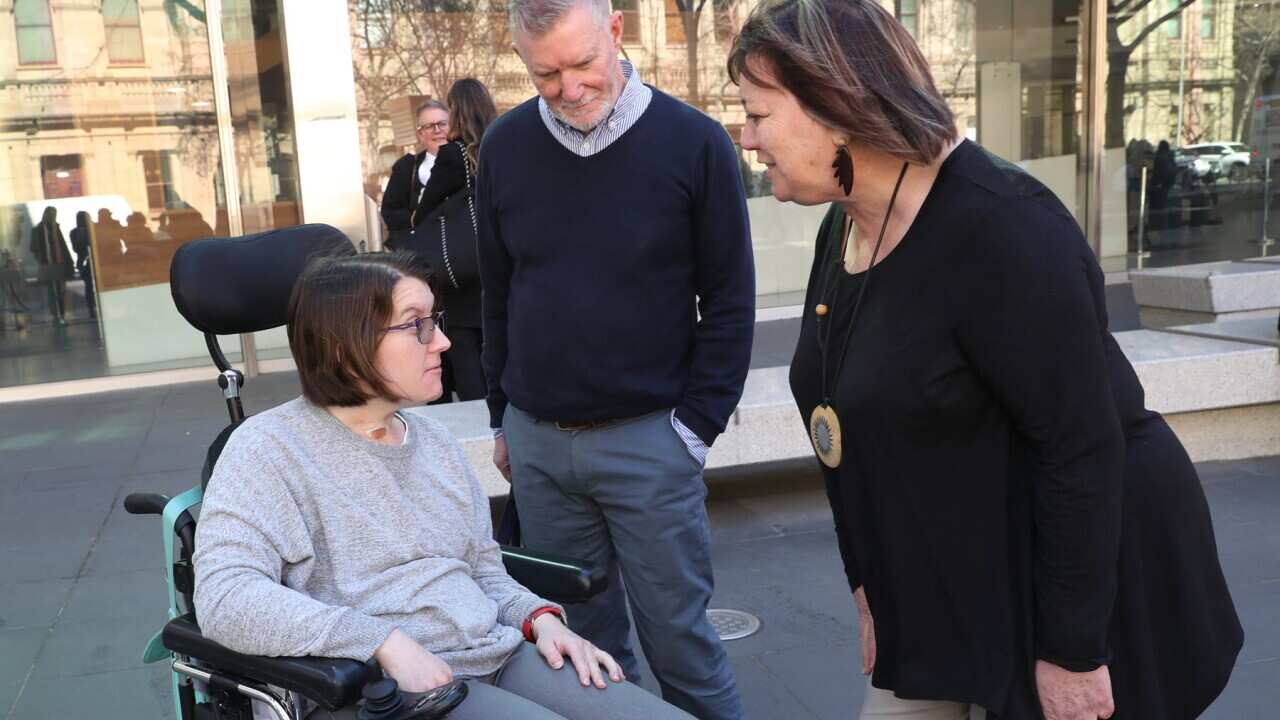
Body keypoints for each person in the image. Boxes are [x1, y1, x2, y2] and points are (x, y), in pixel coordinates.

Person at [729, 2, 1242, 719]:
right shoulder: (847, 226)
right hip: (942, 574)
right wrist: (868, 586)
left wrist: (1071, 654)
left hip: (1069, 583)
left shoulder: (1007, 230)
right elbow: (838, 425)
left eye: (757, 115)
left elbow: (1080, 450)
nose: (746, 138)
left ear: (834, 105)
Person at [192, 252, 695, 720]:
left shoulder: (433, 439)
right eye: (417, 326)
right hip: (373, 685)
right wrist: (381, 642)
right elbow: (225, 599)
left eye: (435, 322)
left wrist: (539, 620)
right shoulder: (268, 450)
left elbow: (480, 567)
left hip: (492, 649)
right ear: (346, 347)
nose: (443, 342)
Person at [476, 0, 755, 717]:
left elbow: (729, 299)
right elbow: (498, 295)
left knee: (683, 649)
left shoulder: (693, 143)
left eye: (582, 63)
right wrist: (503, 420)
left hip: (651, 442)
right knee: (582, 657)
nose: (568, 87)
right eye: (545, 74)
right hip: (538, 448)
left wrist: (695, 428)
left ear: (617, 34)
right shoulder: (504, 147)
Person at [414, 78, 498, 402]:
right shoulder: (503, 143)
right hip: (497, 264)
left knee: (466, 355)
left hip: (461, 270)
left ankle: (478, 425)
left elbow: (422, 213)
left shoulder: (453, 155)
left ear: (457, 112)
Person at [381, 100, 451, 250]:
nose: (437, 130)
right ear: (420, 134)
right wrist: (415, 219)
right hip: (420, 256)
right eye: (429, 126)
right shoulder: (406, 169)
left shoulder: (470, 164)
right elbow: (390, 214)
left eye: (442, 124)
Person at [29, 206, 72, 325]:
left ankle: (62, 315)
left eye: (54, 215)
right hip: (47, 264)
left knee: (61, 291)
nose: (53, 217)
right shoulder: (38, 230)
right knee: (52, 291)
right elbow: (33, 248)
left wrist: (67, 262)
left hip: (58, 263)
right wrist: (40, 259)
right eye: (51, 214)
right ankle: (55, 316)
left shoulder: (55, 228)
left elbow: (62, 245)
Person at [69, 211, 96, 320]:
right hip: (85, 261)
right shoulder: (76, 232)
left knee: (90, 286)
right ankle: (91, 308)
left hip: (88, 261)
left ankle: (92, 308)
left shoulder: (92, 229)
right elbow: (77, 247)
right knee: (89, 286)